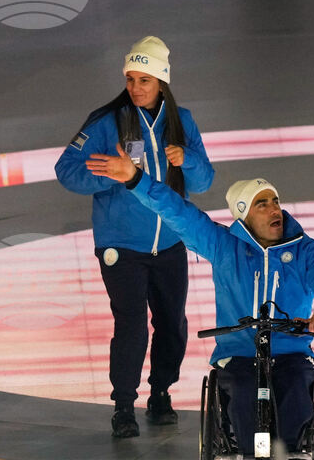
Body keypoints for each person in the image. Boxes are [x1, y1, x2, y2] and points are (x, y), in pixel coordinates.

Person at [90, 154, 314, 460]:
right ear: (243, 216)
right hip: (238, 355)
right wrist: (135, 178)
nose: (274, 209)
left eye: (275, 201)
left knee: (297, 386)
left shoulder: (305, 250)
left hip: (291, 353)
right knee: (242, 394)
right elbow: (178, 212)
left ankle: (284, 456)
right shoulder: (224, 247)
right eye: (262, 204)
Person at [55, 36, 215, 438]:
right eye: (130, 79)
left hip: (172, 243)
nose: (136, 87)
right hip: (121, 245)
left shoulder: (183, 122)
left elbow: (205, 179)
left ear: (162, 81)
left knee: (172, 324)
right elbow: (66, 169)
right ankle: (124, 407)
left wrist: (188, 158)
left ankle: (160, 391)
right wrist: (108, 174)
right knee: (132, 326)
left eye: (144, 79)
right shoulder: (108, 121)